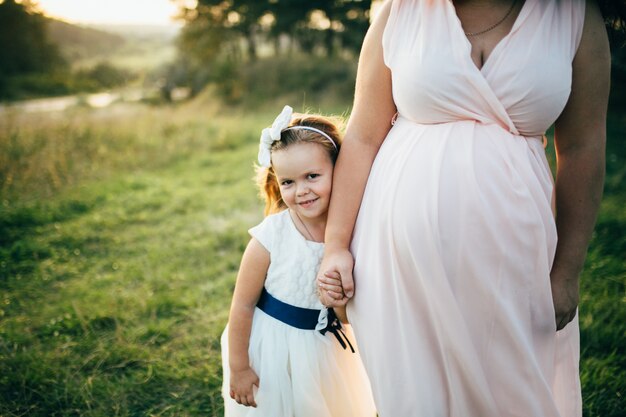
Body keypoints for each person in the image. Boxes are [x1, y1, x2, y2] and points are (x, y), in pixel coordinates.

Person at [317, 0, 610, 416]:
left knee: (515, 395)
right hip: (400, 261)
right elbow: (363, 137)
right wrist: (336, 247)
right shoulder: (400, 12)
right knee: (418, 400)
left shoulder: (576, 18)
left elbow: (583, 149)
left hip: (515, 258)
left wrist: (567, 271)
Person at [220, 105, 376, 417]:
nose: (301, 191)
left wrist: (339, 301)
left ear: (339, 170)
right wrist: (239, 368)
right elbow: (242, 305)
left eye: (312, 176)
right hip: (274, 352)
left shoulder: (356, 231)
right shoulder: (270, 237)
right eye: (288, 182)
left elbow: (347, 313)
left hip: (327, 352)